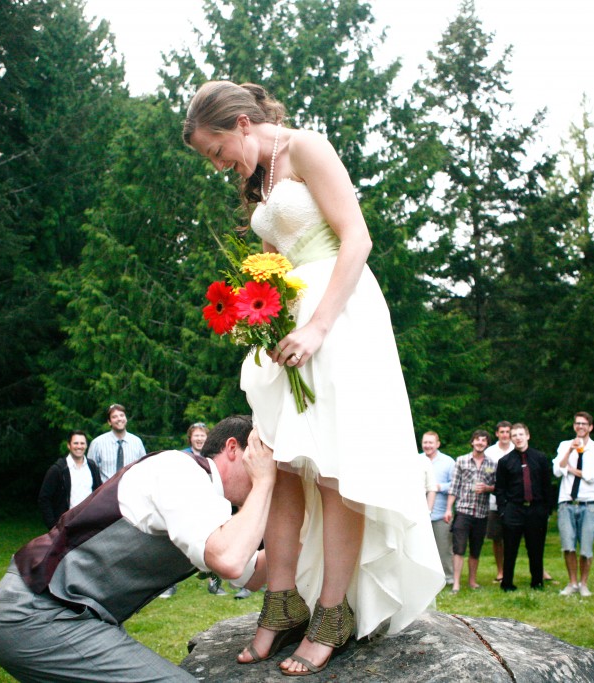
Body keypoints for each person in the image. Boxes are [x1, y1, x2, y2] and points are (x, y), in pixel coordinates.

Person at [184, 81, 442, 676]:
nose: (218, 164)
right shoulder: (260, 181)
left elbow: (357, 237)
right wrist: (262, 313)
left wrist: (321, 326)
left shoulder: (307, 148)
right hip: (288, 322)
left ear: (243, 123)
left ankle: (332, 613)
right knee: (282, 465)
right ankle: (280, 603)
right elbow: (276, 261)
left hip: (339, 315)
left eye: (217, 150)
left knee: (333, 467)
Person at [0, 416, 275, 683]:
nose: (266, 472)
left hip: (73, 617)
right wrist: (264, 482)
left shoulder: (212, 505)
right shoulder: (178, 470)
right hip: (38, 612)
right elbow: (230, 560)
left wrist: (307, 547)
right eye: (262, 459)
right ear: (234, 448)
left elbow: (253, 575)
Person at [553, 412, 594, 597]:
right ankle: (572, 583)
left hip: (589, 503)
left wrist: (572, 470)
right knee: (568, 546)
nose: (580, 426)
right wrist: (569, 451)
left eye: (584, 423)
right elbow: (557, 471)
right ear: (574, 426)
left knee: (586, 548)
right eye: (577, 423)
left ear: (590, 427)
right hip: (566, 503)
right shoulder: (564, 445)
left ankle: (584, 584)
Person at [495, 423, 552, 592]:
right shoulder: (505, 461)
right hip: (514, 509)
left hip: (536, 509)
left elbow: (547, 485)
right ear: (511, 438)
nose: (518, 438)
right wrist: (503, 511)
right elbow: (500, 489)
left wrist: (547, 510)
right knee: (510, 548)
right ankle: (507, 583)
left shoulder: (540, 458)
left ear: (528, 436)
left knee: (536, 548)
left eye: (521, 434)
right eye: (515, 435)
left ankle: (537, 582)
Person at [444, 430, 495, 594]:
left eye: (484, 440)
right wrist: (448, 509)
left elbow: (497, 486)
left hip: (481, 512)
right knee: (459, 548)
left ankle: (472, 581)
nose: (480, 443)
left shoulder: (492, 464)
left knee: (476, 548)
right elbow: (454, 486)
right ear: (472, 442)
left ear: (487, 444)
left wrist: (487, 488)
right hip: (463, 510)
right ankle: (456, 583)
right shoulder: (461, 461)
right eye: (477, 440)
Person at [183, 422, 229, 596]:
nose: (199, 438)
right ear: (190, 438)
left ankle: (214, 581)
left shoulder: (212, 457)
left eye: (202, 435)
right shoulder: (184, 456)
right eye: (196, 435)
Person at [37, 430, 103, 530]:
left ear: (86, 446)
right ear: (69, 445)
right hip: (66, 526)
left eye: (82, 443)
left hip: (89, 523)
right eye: (75, 443)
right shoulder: (58, 469)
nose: (79, 446)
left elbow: (99, 494)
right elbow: (44, 499)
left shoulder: (92, 467)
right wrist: (52, 526)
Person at [422, 431, 456, 584]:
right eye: (425, 442)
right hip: (420, 513)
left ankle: (448, 577)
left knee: (443, 548)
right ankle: (425, 579)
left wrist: (437, 486)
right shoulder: (417, 460)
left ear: (437, 444)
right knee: (422, 548)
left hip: (441, 513)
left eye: (431, 442)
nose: (427, 445)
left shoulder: (448, 462)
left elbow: (455, 484)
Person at [485, 421, 514, 582]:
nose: (505, 435)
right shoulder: (490, 452)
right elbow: (487, 474)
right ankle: (500, 570)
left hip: (514, 500)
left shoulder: (515, 449)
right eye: (502, 432)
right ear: (497, 434)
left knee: (516, 536)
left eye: (507, 432)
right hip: (494, 500)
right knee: (497, 538)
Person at [88, 403, 146, 481]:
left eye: (122, 415)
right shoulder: (97, 443)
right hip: (106, 491)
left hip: (131, 490)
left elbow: (143, 468)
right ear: (109, 422)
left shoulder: (137, 442)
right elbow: (90, 472)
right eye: (114, 417)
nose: (119, 419)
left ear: (126, 418)